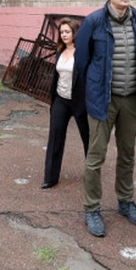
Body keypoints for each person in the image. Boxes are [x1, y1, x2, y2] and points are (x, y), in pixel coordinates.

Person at [75, 0, 136, 237]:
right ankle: (92, 208)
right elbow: (81, 62)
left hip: (131, 98)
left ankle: (125, 202)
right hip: (103, 100)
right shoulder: (94, 21)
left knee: (128, 154)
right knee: (96, 157)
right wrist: (86, 98)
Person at [41, 17, 90, 189]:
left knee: (88, 138)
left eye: (67, 31)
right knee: (55, 137)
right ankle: (50, 177)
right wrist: (54, 100)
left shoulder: (83, 52)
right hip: (61, 100)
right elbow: (57, 77)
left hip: (79, 101)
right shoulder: (59, 52)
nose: (64, 35)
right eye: (62, 32)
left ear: (75, 33)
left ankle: (92, 174)